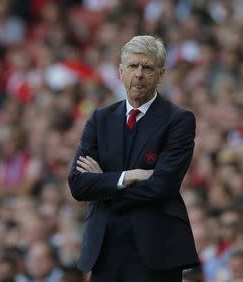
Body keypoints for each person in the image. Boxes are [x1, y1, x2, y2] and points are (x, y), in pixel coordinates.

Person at [68, 35, 199, 282]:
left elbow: (161, 186)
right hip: (105, 250)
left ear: (160, 74)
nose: (138, 74)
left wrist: (104, 185)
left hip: (156, 251)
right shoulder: (100, 119)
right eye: (132, 66)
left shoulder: (179, 121)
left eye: (147, 67)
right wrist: (127, 177)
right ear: (120, 71)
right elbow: (78, 184)